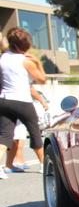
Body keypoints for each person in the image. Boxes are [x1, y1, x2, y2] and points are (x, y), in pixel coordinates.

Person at [0, 27, 47, 180]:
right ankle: (43, 164)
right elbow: (42, 80)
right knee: (34, 132)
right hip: (22, 101)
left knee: (5, 135)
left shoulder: (3, 58)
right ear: (26, 43)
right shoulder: (26, 61)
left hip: (4, 99)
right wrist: (38, 63)